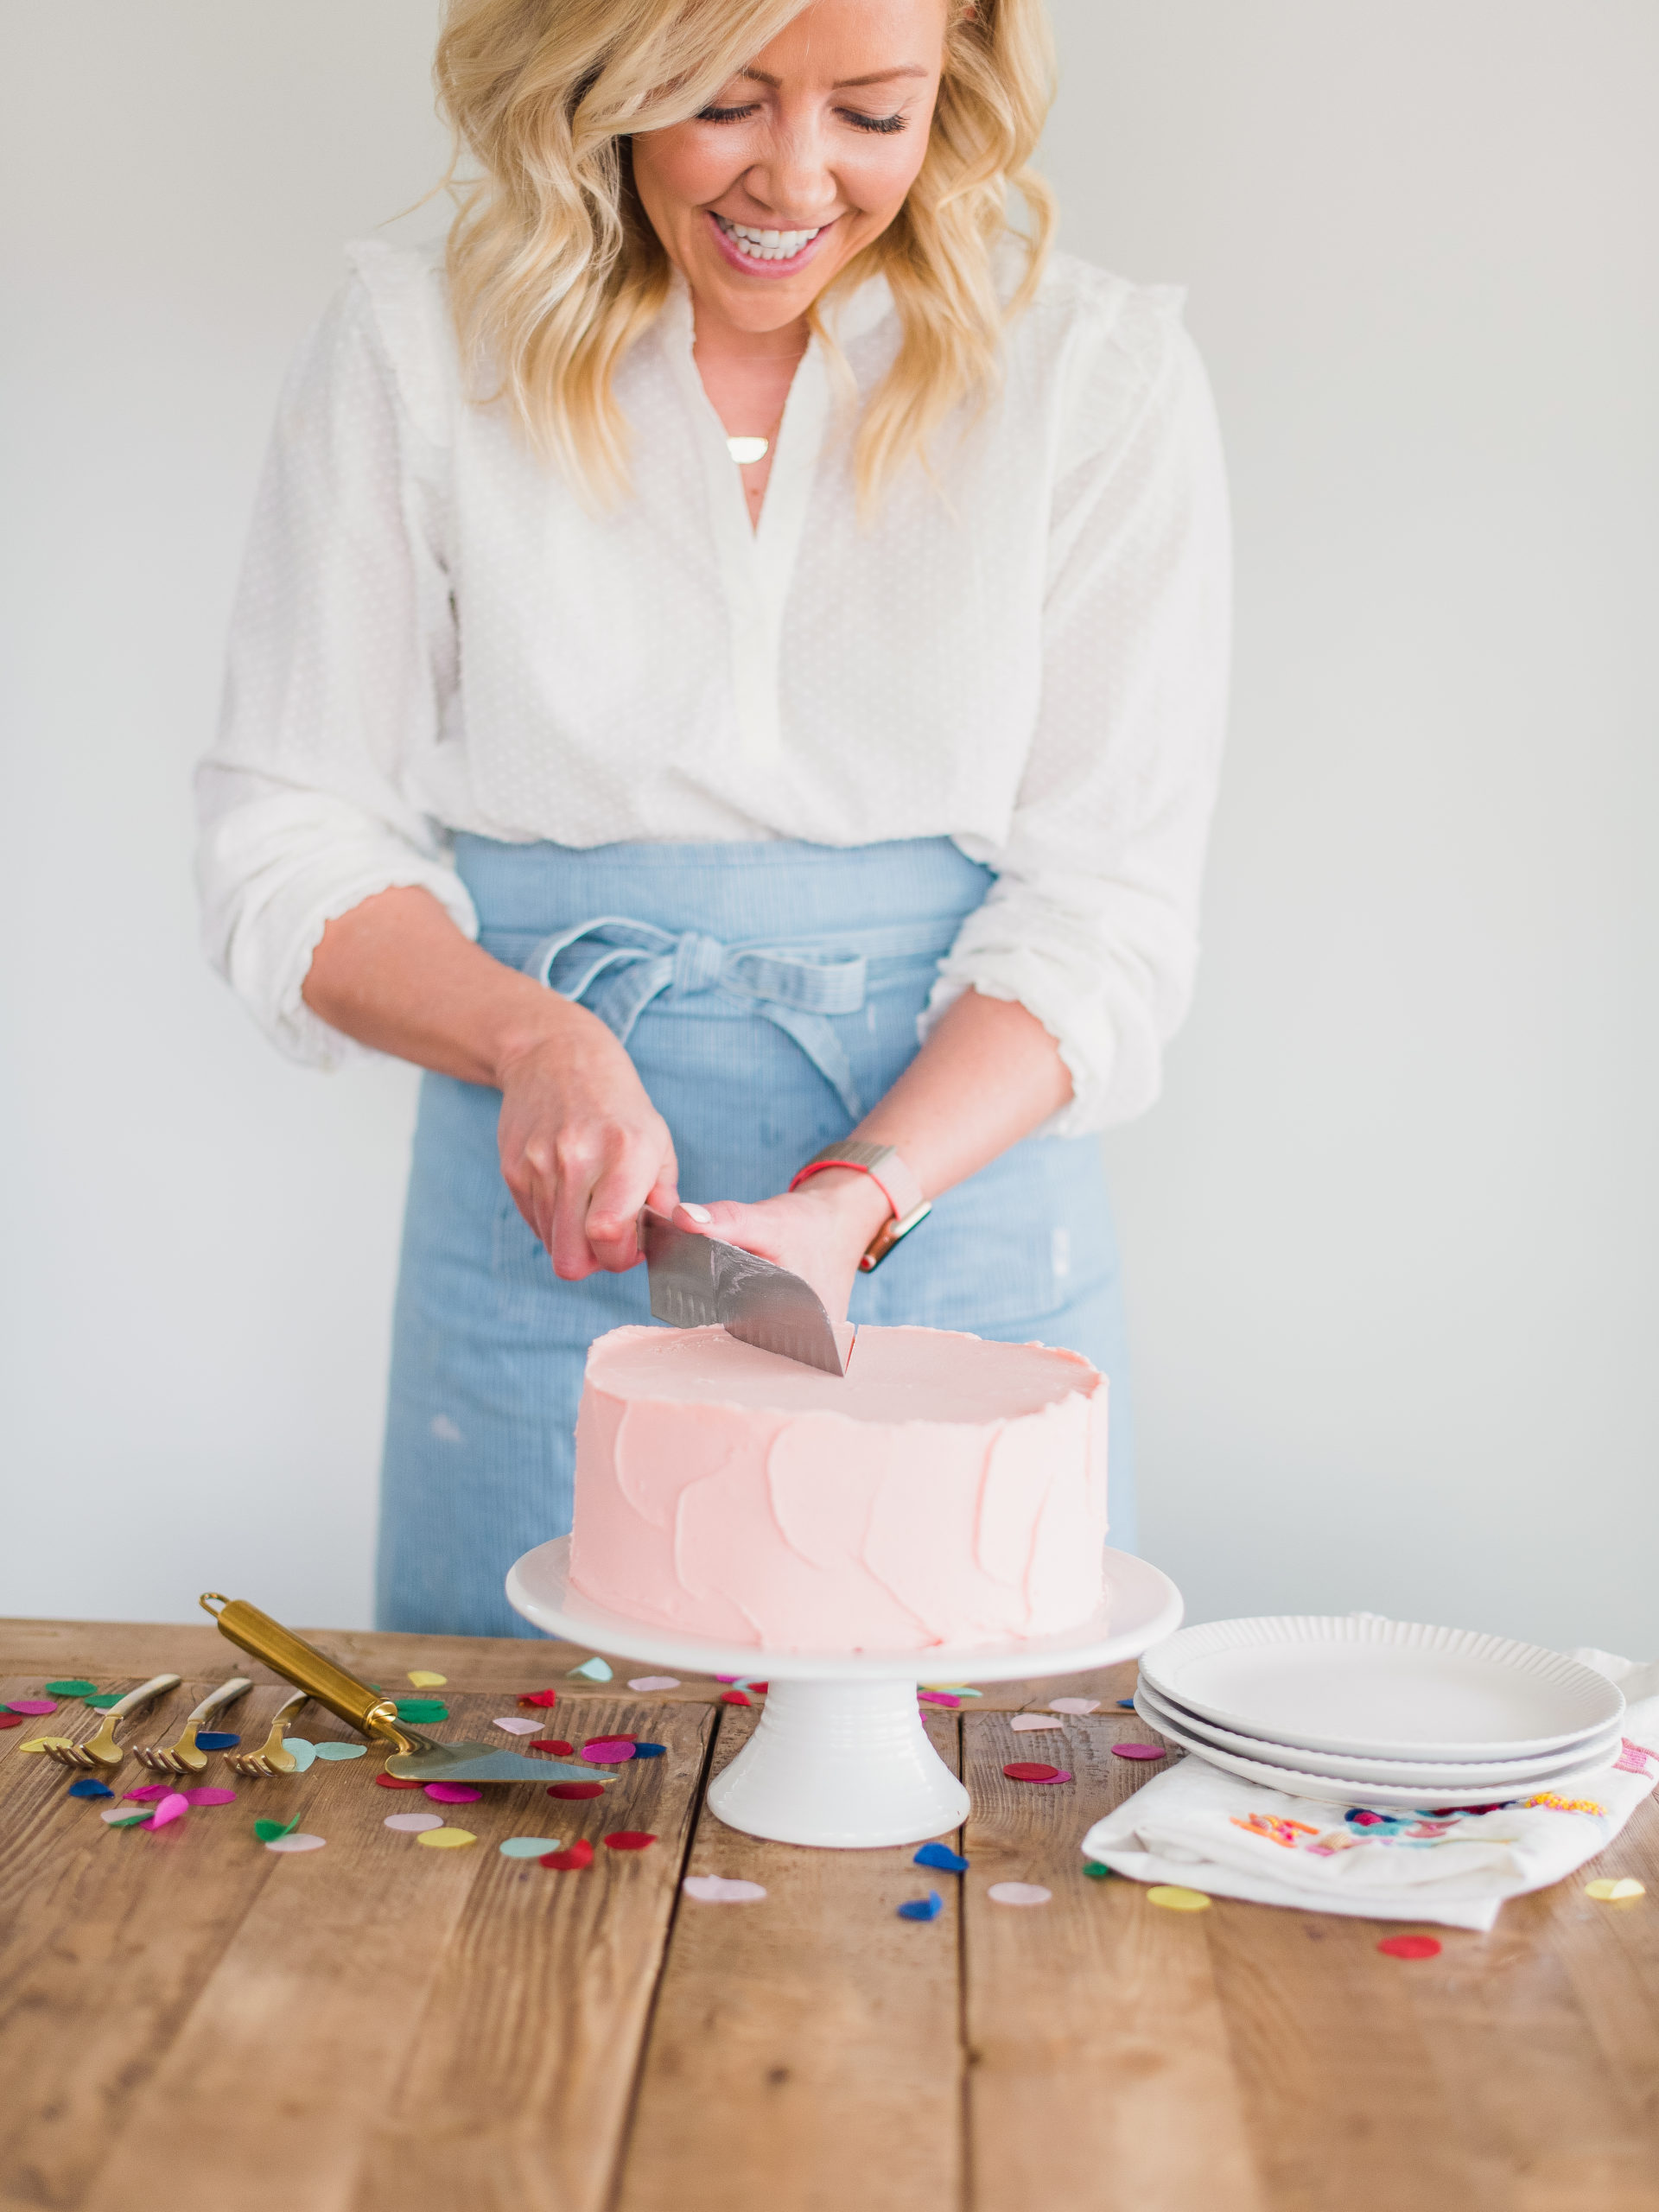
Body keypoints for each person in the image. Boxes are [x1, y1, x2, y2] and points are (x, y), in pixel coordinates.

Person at [197, 0, 1230, 1637]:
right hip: (549, 1261)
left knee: (963, 1813)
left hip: (946, 1228)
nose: (798, 178)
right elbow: (288, 831)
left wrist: (855, 1200)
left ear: (957, 78)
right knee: (529, 1795)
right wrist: (537, 1045)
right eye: (726, 102)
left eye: (874, 114)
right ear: (602, 73)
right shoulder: (411, 350)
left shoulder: (1091, 376)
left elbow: (1110, 906)